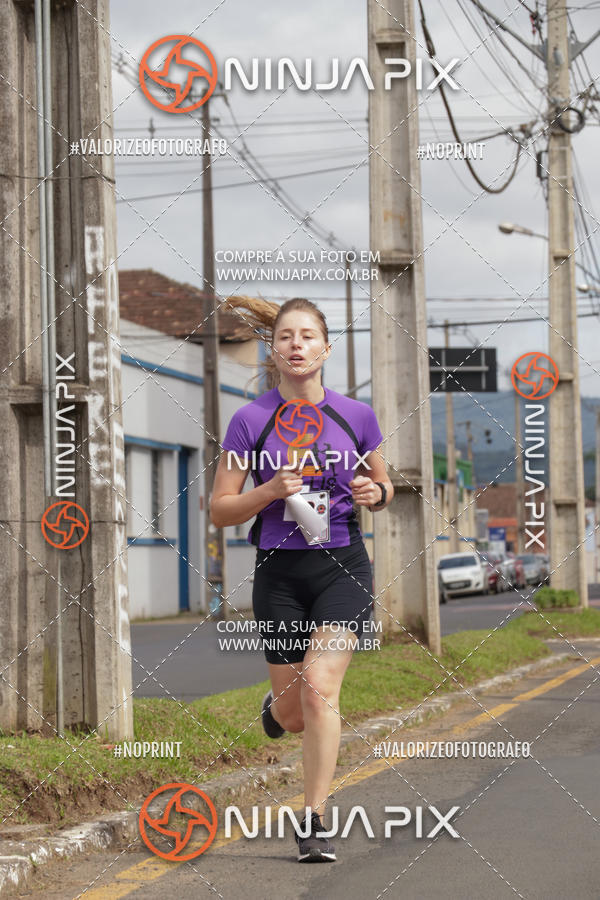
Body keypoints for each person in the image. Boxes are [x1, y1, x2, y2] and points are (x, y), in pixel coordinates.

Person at [210, 297, 392, 862]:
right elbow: (219, 509)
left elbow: (384, 487)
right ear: (274, 348)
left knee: (320, 686)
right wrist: (269, 491)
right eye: (286, 335)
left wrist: (374, 493)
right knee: (293, 713)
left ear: (325, 348)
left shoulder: (356, 417)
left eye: (308, 335)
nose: (296, 344)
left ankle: (313, 820)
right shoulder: (250, 420)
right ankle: (274, 708)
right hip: (279, 573)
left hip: (343, 566)